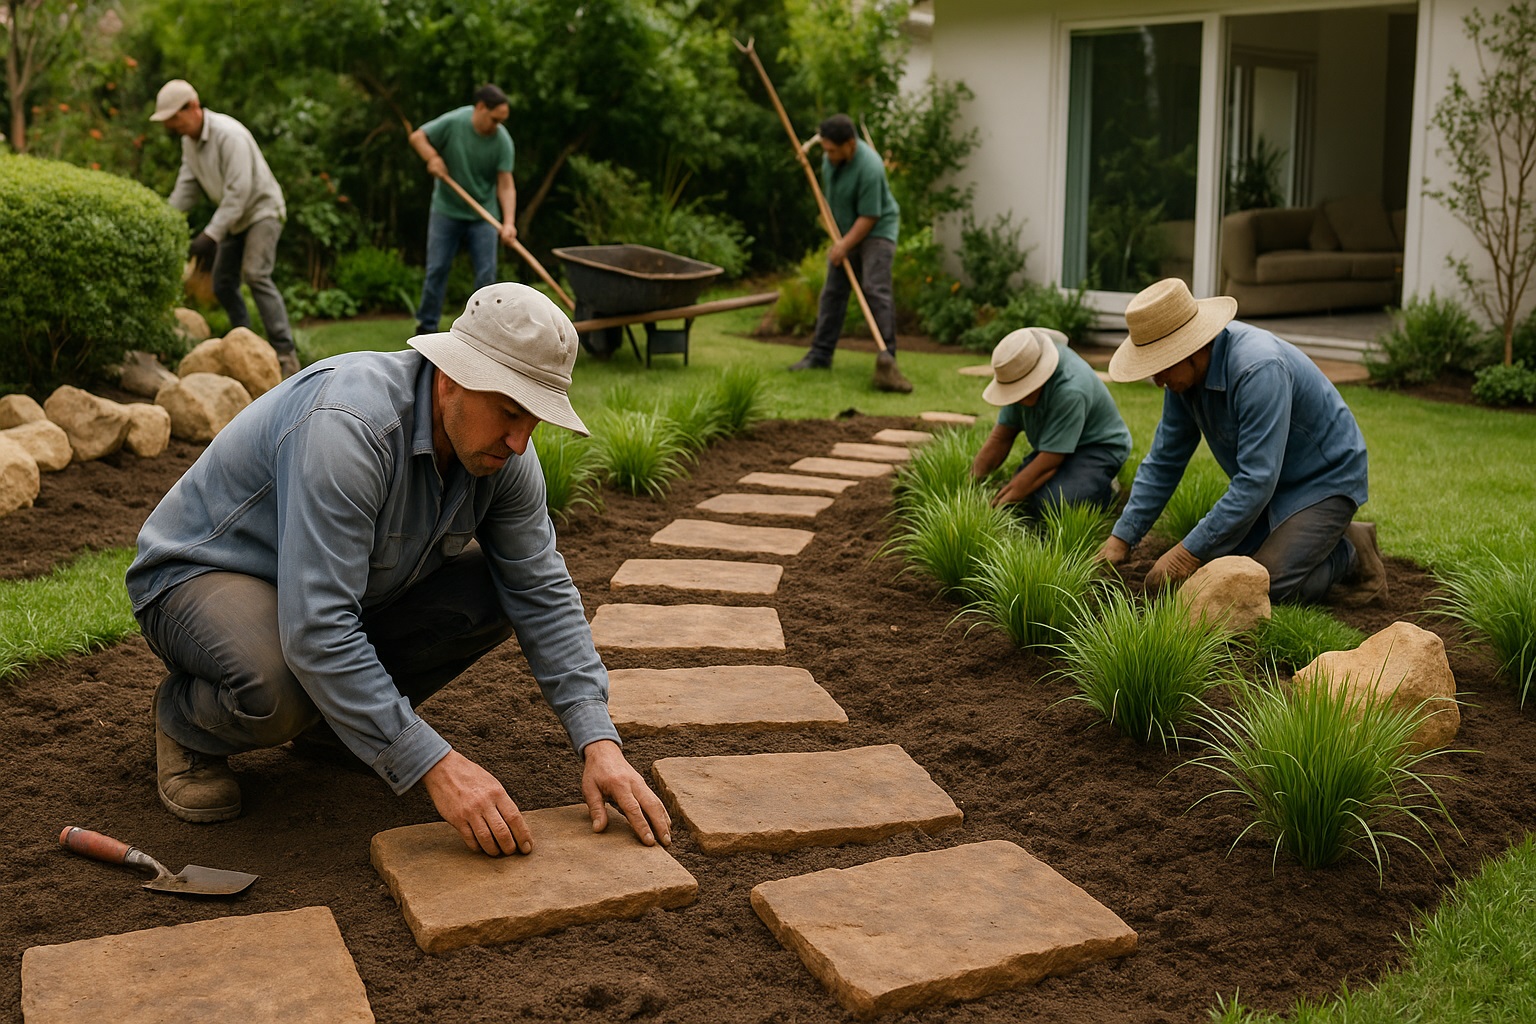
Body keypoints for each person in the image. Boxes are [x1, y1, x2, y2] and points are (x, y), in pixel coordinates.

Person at [126, 282, 671, 857]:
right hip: (200, 574)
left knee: (494, 590)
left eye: (534, 420)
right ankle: (187, 725)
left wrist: (598, 741)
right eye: (511, 411)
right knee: (276, 684)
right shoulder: (349, 429)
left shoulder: (501, 453)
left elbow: (541, 588)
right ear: (455, 374)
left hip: (330, 589)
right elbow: (317, 629)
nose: (518, 441)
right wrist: (434, 763)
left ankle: (340, 731)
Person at [1095, 277, 1386, 606]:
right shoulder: (1181, 382)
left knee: (1260, 586)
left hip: (1325, 480)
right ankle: (1318, 536)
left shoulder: (1257, 369)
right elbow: (1164, 462)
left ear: (1193, 348)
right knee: (1220, 567)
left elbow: (1255, 481)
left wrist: (1184, 554)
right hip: (1273, 482)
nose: (1156, 379)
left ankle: (1348, 554)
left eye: (1160, 365)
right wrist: (1122, 538)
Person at [152, 79, 299, 379]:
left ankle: (286, 356)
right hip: (235, 218)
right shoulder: (189, 142)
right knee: (222, 283)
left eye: (175, 119)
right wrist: (163, 219)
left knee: (256, 273)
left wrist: (210, 235)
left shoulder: (229, 135)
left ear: (192, 107)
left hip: (261, 211)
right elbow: (186, 187)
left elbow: (239, 192)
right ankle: (243, 345)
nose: (172, 127)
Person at [971, 326, 1132, 515]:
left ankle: (1106, 489)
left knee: (1054, 504)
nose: (1017, 398)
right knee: (1027, 493)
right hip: (1056, 443)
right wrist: (972, 482)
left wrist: (1002, 503)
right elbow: (1001, 437)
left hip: (1097, 447)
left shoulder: (1070, 389)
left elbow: (1050, 460)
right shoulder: (1019, 369)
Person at [789, 113, 902, 377]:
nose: (827, 155)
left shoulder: (870, 167)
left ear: (850, 143)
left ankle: (888, 358)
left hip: (877, 230)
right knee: (833, 292)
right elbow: (830, 198)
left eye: (833, 150)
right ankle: (820, 355)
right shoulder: (830, 161)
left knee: (875, 288)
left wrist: (843, 246)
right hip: (845, 231)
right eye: (825, 149)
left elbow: (870, 216)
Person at [410, 84, 518, 336]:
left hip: (483, 216)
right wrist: (432, 158)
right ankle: (426, 328)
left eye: (502, 121)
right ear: (480, 107)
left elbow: (506, 185)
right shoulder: (455, 122)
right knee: (437, 269)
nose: (497, 125)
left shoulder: (502, 141)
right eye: (494, 119)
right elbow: (417, 137)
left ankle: (483, 333)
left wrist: (509, 222)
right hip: (446, 209)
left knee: (486, 276)